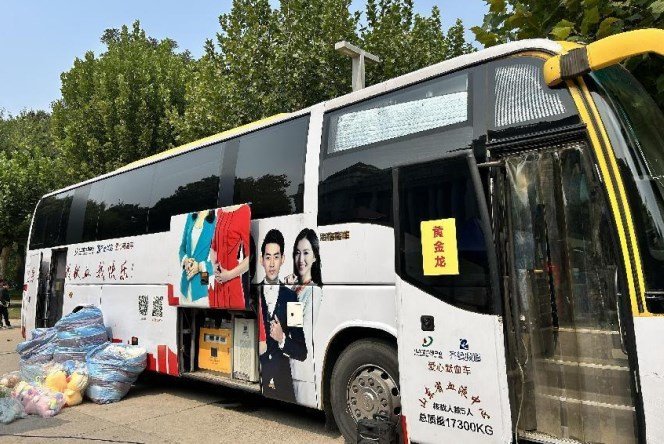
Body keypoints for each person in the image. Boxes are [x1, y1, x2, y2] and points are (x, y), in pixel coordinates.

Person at [257, 229, 307, 402]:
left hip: (283, 385)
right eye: (268, 257)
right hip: (258, 382)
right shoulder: (252, 295)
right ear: (261, 260)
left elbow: (301, 351)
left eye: (276, 257)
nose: (272, 264)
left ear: (283, 259)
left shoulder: (291, 297)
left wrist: (282, 339)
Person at [284, 228, 323, 406]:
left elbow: (301, 333)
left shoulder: (313, 291)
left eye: (306, 253)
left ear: (315, 256)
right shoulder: (297, 288)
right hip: (289, 367)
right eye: (297, 253)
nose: (301, 259)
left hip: (300, 369)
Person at [210, 204, 251, 309]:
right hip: (217, 282)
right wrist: (214, 266)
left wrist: (228, 275)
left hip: (232, 282)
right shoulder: (220, 211)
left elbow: (250, 257)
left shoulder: (244, 210)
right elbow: (213, 248)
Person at [179, 210, 216, 302]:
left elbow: (219, 259)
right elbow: (182, 247)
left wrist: (199, 266)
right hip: (185, 284)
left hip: (203, 280)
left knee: (202, 304)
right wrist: (185, 260)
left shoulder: (216, 221)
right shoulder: (190, 216)